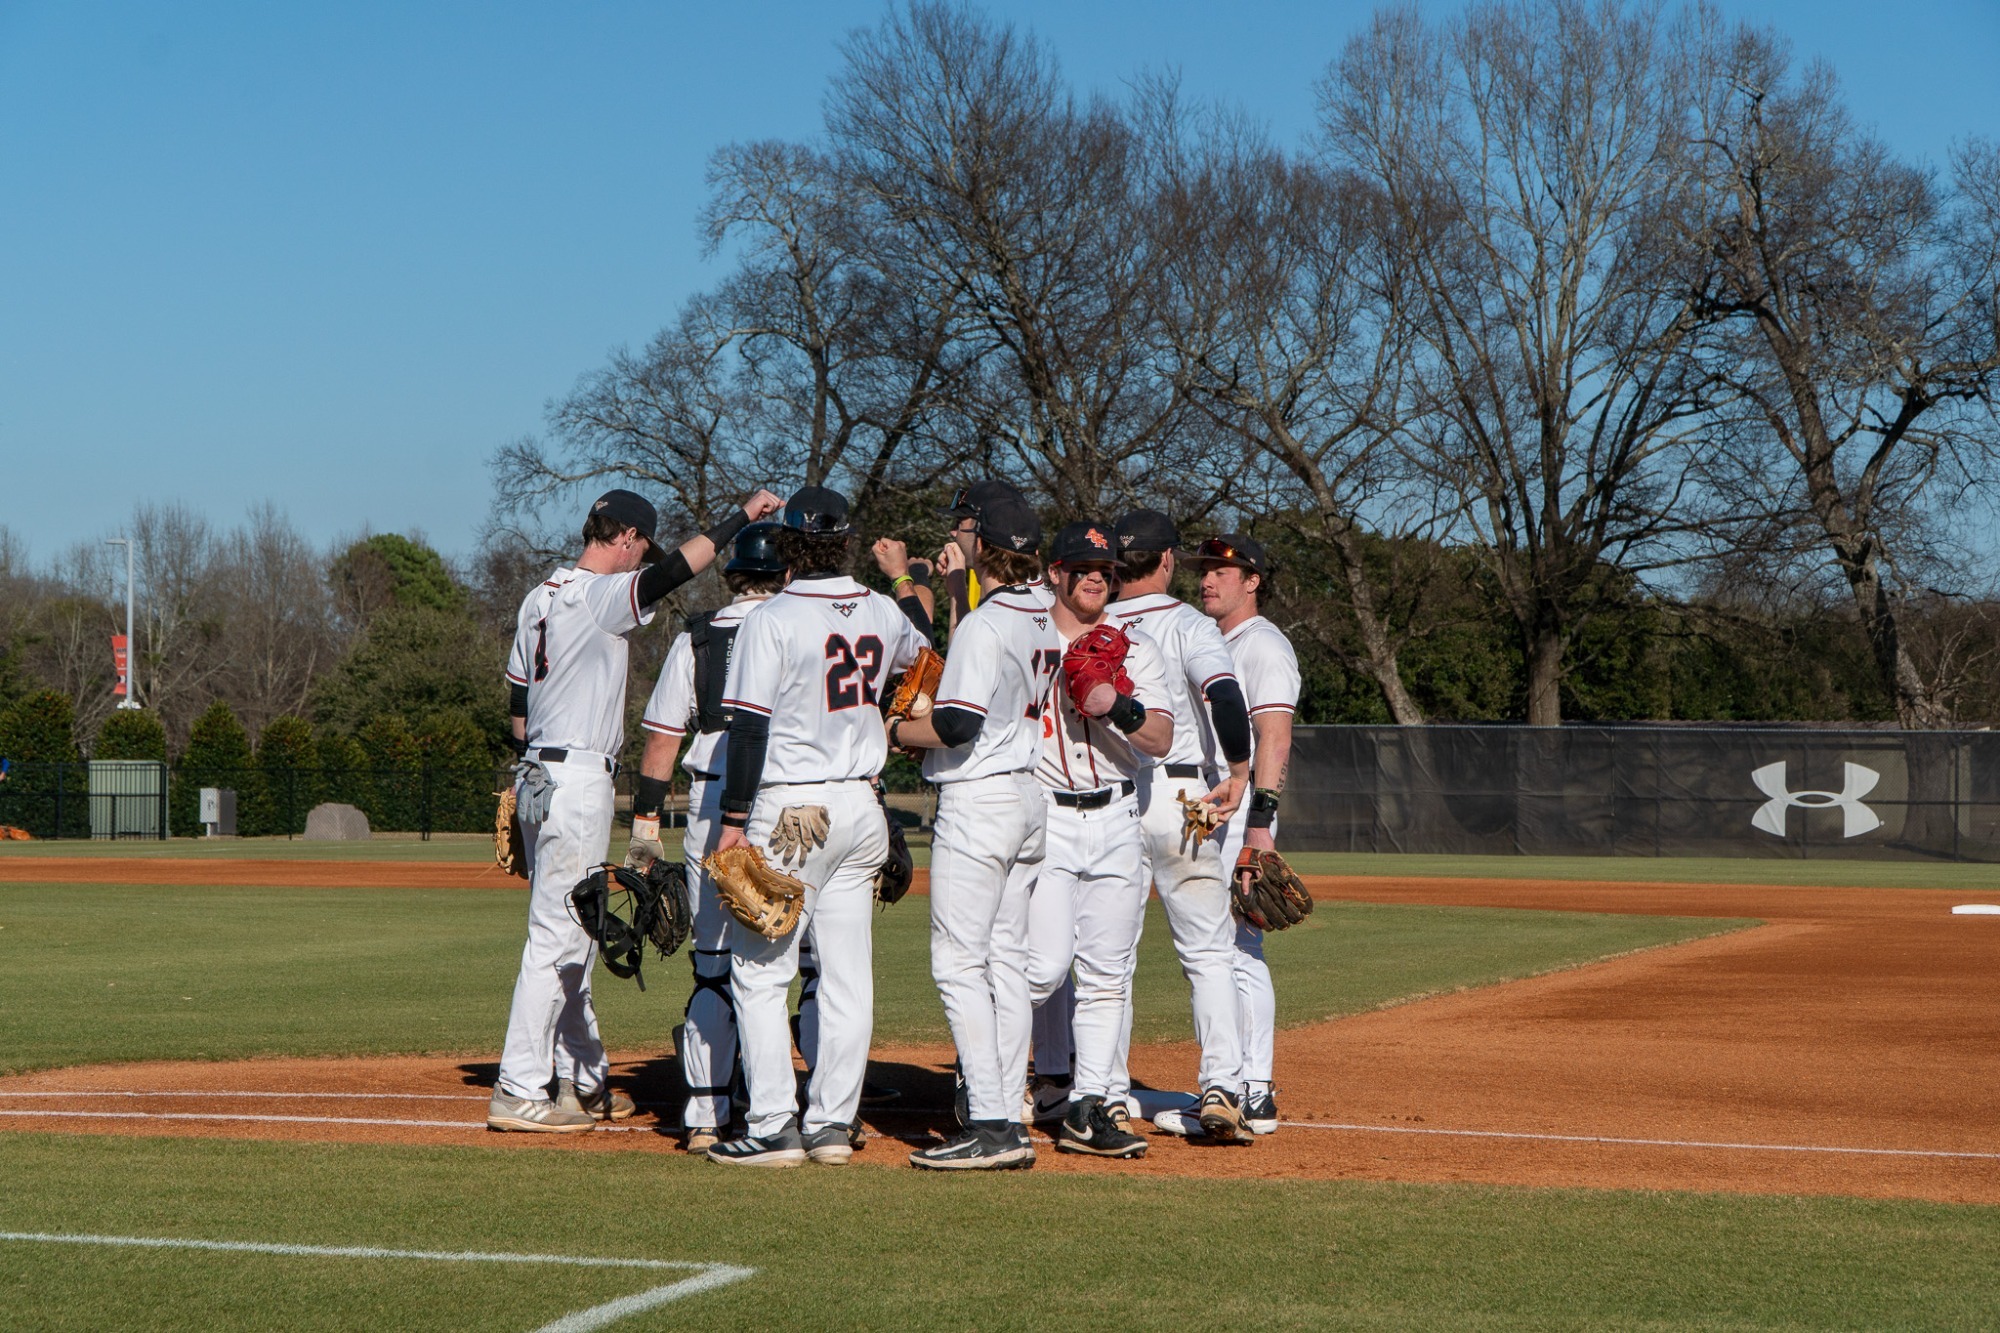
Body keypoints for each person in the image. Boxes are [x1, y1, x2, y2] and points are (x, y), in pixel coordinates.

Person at [488, 485, 782, 1134]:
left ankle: (584, 1079)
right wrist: (742, 518)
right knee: (557, 936)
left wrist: (522, 779)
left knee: (579, 927)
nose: (641, 557)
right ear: (626, 537)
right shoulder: (596, 594)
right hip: (576, 779)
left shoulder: (538, 597)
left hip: (539, 772)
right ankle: (516, 1087)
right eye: (640, 545)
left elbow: (516, 702)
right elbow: (676, 571)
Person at [705, 485, 933, 1166]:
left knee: (760, 970)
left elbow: (746, 726)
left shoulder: (771, 617)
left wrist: (732, 821)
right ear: (847, 541)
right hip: (862, 804)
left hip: (790, 810)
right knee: (847, 973)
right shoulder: (881, 610)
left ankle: (774, 1123)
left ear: (789, 544)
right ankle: (832, 1124)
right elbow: (926, 666)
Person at [882, 492, 1059, 1169]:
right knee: (1006, 959)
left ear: (984, 542)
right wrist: (957, 586)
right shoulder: (1042, 613)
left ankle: (989, 1123)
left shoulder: (987, 627)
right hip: (1027, 794)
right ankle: (1005, 1111)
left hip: (980, 797)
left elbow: (955, 725)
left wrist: (891, 730)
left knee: (958, 961)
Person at [627, 522, 787, 1153]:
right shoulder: (799, 627)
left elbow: (663, 739)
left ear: (733, 576)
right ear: (788, 576)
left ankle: (702, 1118)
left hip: (713, 800)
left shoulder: (698, 637)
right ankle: (828, 1116)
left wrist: (644, 827)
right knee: (809, 966)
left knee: (714, 967)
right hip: (794, 804)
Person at [1104, 509, 1257, 1141]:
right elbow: (1224, 694)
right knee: (1207, 951)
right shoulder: (1189, 622)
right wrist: (1242, 768)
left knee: (1107, 960)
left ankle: (1104, 1093)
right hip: (1182, 798)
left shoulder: (1094, 623)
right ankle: (1222, 1087)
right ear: (1167, 561)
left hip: (1108, 799)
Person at [1024, 520, 1174, 1159]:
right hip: (1046, 820)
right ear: (1054, 573)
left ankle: (1088, 1107)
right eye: (1082, 566)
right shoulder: (1023, 642)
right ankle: (989, 1082)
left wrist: (1114, 702)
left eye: (1107, 568)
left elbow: (1161, 739)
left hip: (1116, 819)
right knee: (1041, 969)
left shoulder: (1134, 647)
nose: (1096, 576)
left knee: (1108, 975)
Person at [1176, 533, 1300, 1137]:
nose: (1208, 580)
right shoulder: (1211, 640)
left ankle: (1253, 1088)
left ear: (1252, 581)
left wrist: (1260, 827)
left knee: (1237, 950)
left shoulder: (1263, 645)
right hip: (1212, 812)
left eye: (1224, 572)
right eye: (1204, 570)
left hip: (1242, 815)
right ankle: (1240, 1084)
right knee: (1215, 950)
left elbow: (1274, 738)